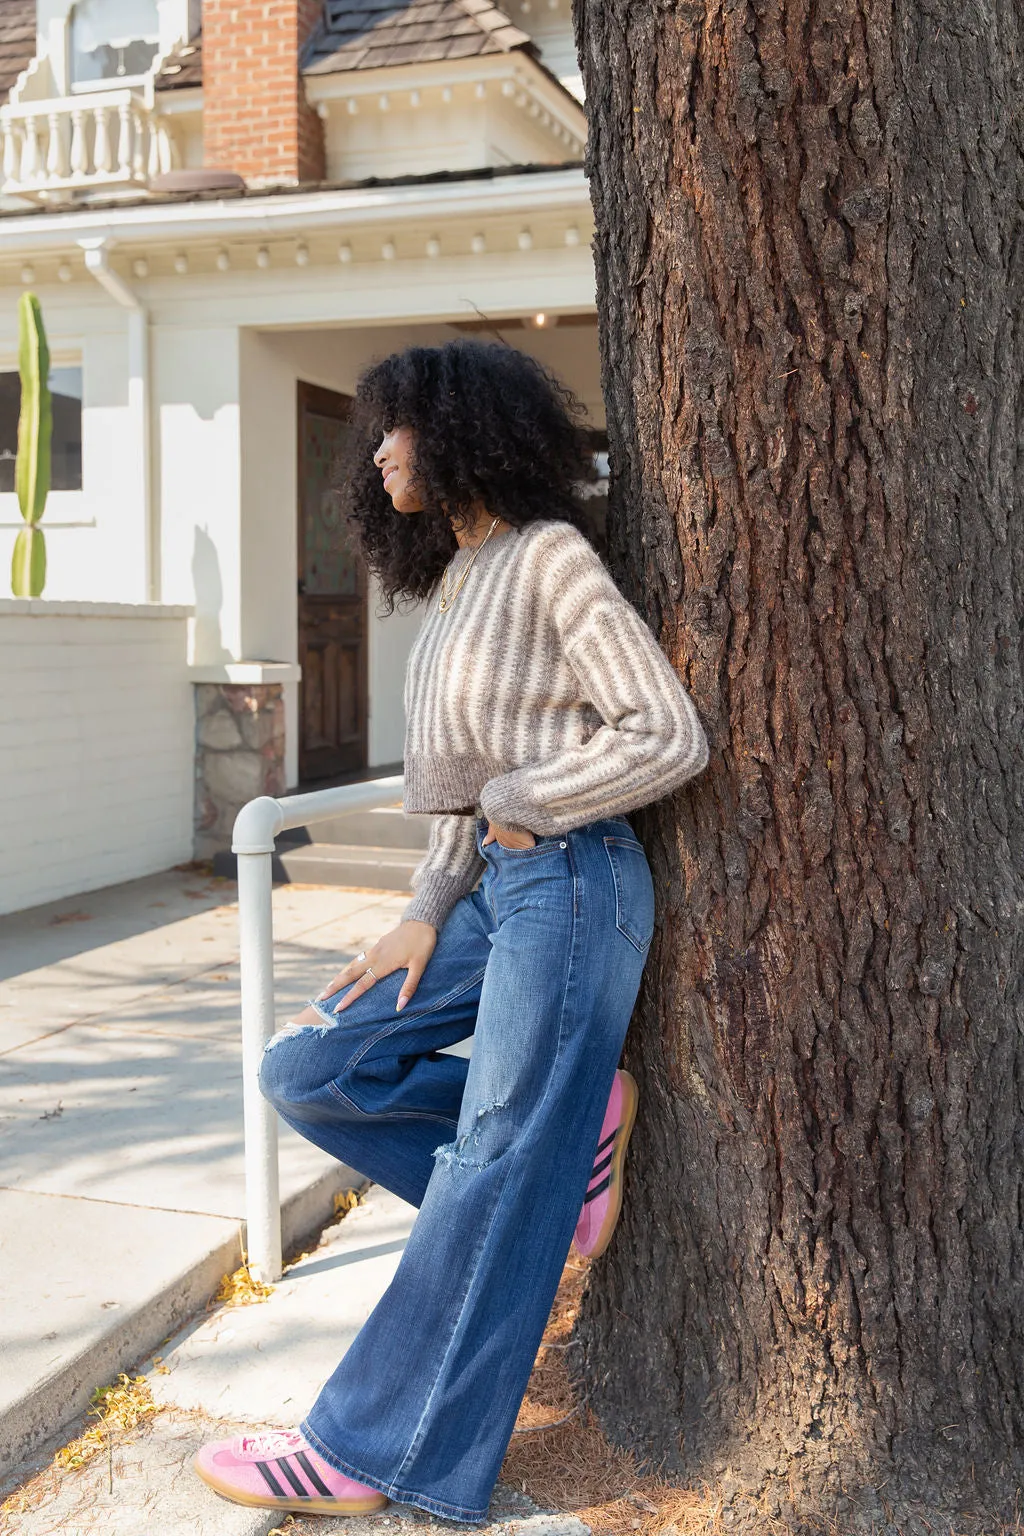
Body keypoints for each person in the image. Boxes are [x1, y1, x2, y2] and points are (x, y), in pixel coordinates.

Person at [195, 339, 709, 1523]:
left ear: (466, 431)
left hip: (574, 881)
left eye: (399, 427)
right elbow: (462, 790)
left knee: (487, 1161)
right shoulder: (459, 580)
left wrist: (522, 808)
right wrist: (423, 909)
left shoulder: (550, 561)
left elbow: (665, 733)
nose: (378, 451)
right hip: (489, 896)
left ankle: (371, 1452)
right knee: (313, 1067)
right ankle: (559, 1149)